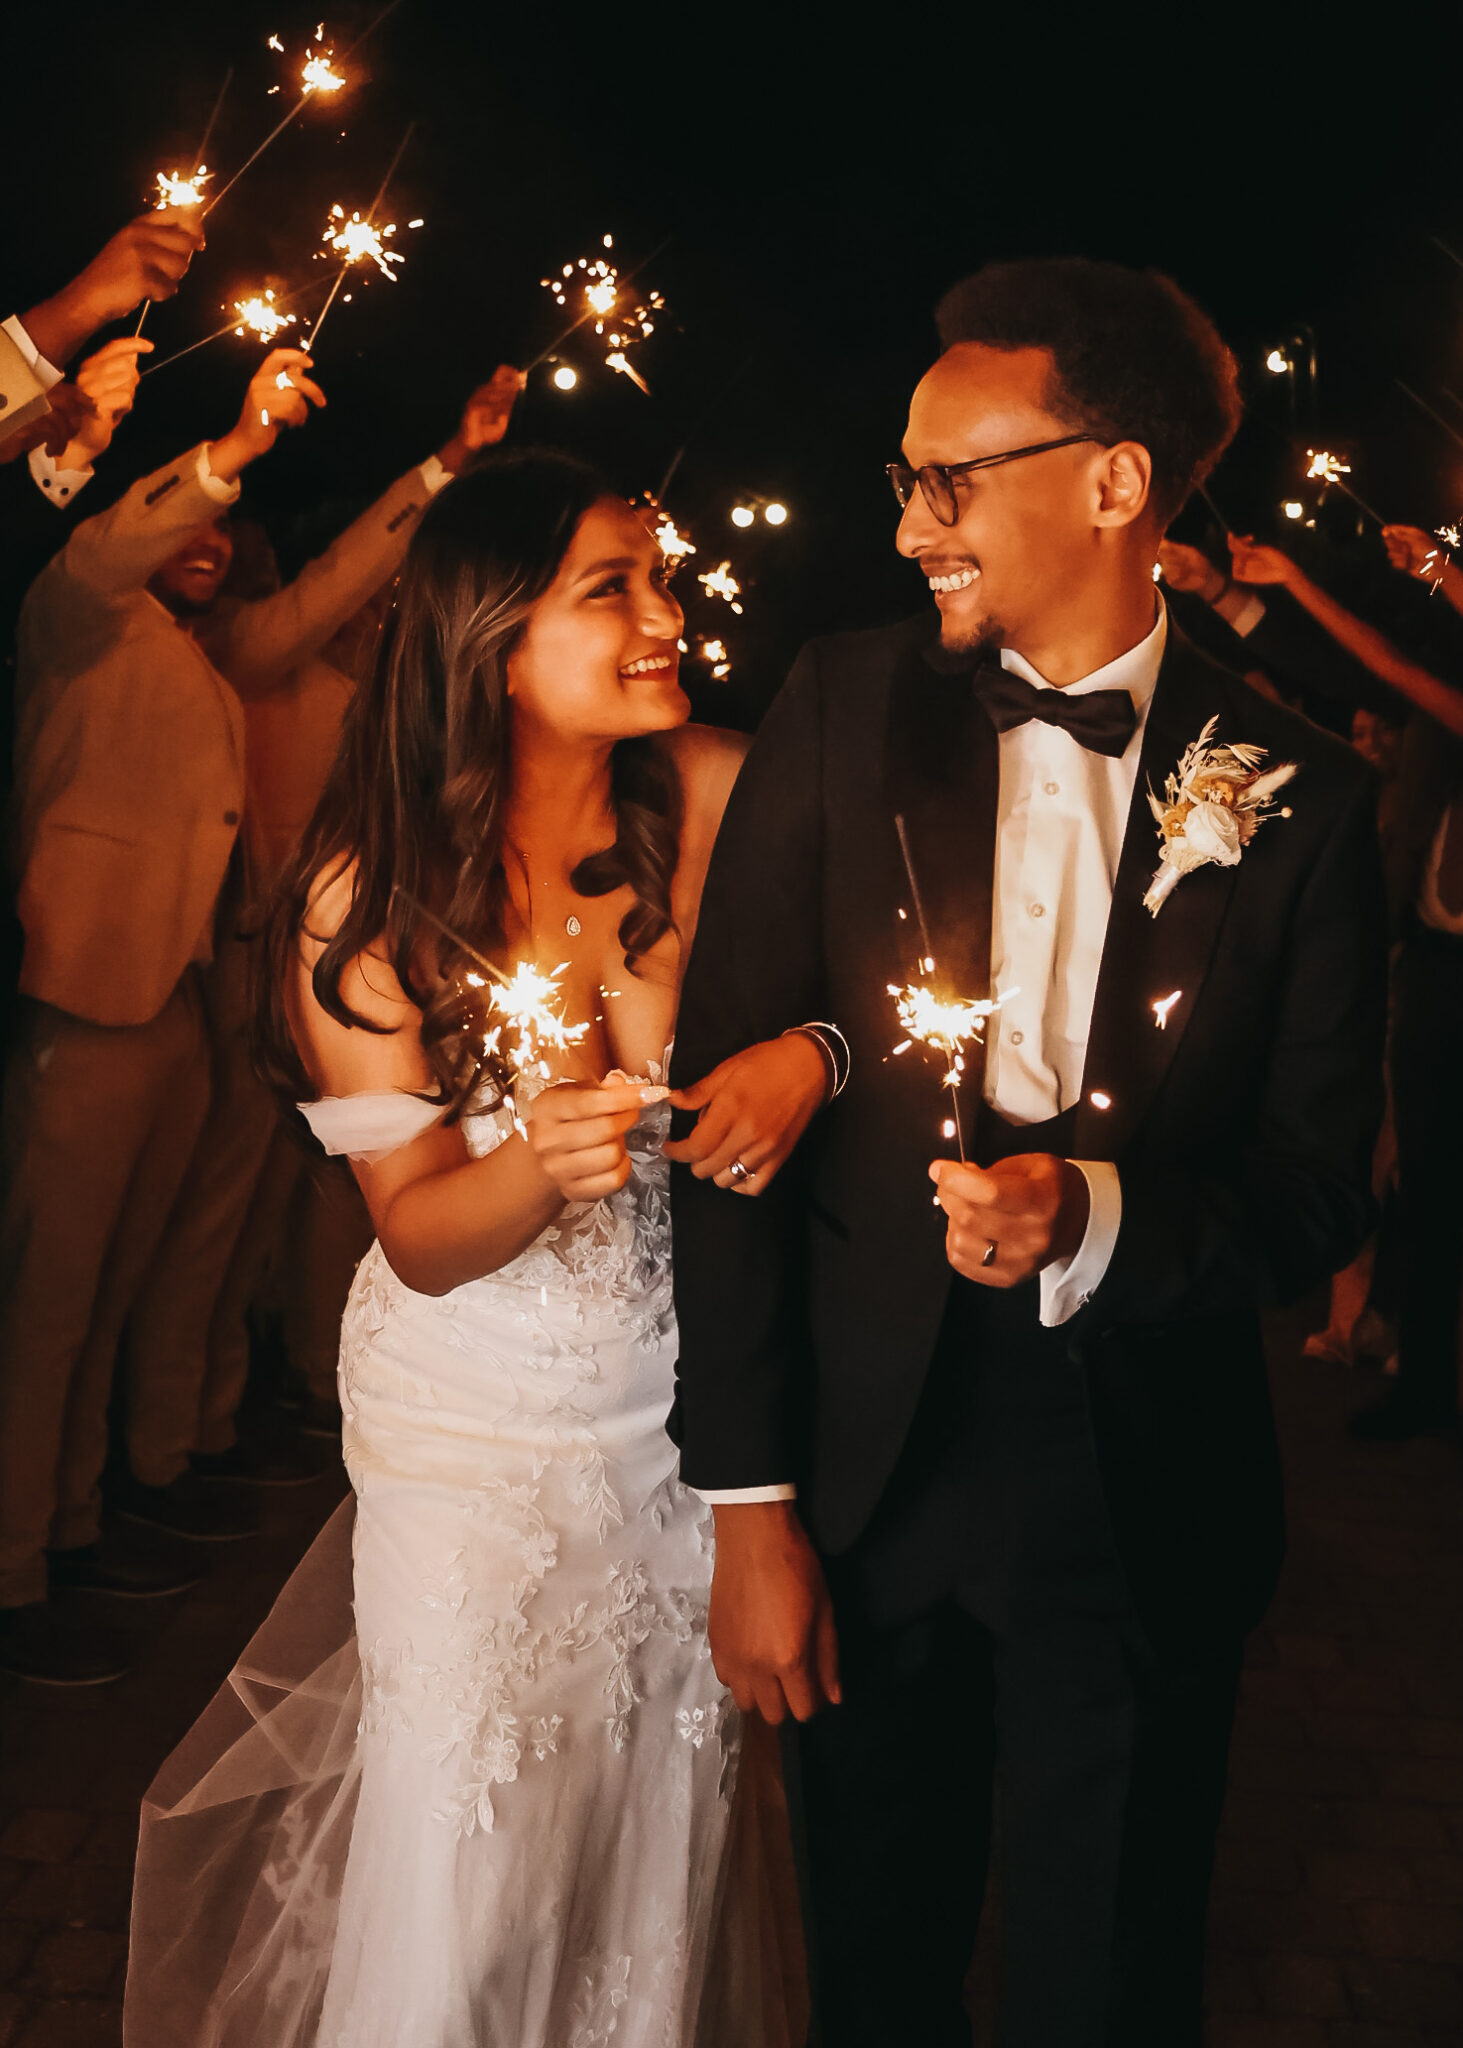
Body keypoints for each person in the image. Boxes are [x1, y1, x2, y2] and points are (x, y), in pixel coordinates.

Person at [668, 258, 1387, 2047]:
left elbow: (1311, 1194)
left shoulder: (1292, 787)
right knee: (873, 1962)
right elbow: (719, 1131)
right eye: (903, 477)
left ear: (1111, 477)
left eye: (948, 478)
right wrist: (747, 1510)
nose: (911, 523)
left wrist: (1098, 1215)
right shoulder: (837, 711)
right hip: (863, 1475)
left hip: (1136, 1483)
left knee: (1111, 1974)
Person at [125, 451, 830, 2046]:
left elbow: (878, 976)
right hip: (474, 1438)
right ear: (487, 634)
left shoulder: (719, 793)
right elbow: (426, 1236)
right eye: (613, 590)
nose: (667, 617)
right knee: (476, 1878)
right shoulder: (361, 904)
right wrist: (538, 1165)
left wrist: (812, 1052)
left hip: (682, 1429)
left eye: (662, 577)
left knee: (650, 1854)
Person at [0, 347, 476, 1683]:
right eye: (187, 519)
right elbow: (123, 534)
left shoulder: (217, 654)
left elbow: (321, 597)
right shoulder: (75, 606)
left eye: (227, 527)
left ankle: (88, 1518)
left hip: (185, 997)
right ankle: (16, 1574)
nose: (210, 539)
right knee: (49, 1300)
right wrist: (240, 442)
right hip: (86, 994)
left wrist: (441, 468)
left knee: (125, 1282)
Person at [123, 367, 525, 1498]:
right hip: (186, 978)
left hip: (276, 987)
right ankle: (135, 1474)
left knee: (241, 1225)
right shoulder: (220, 654)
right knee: (145, 1252)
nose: (224, 551)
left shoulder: (367, 692)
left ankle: (206, 1433)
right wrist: (428, 463)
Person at [1226, 534, 1463, 1438]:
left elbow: (1392, 669)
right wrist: (1236, 601)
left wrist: (1434, 570)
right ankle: (1424, 1384)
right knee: (1429, 1182)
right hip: (1439, 968)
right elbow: (1349, 681)